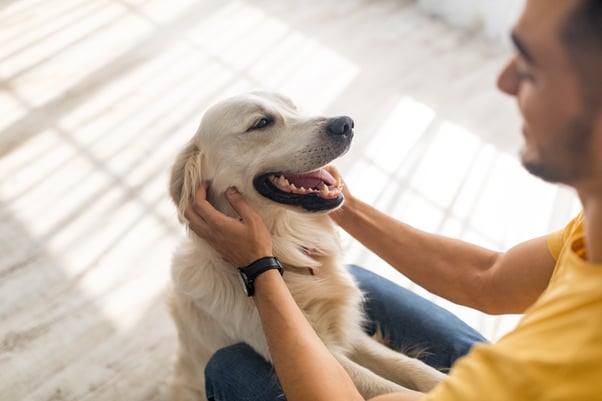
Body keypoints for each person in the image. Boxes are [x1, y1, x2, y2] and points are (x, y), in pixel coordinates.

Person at [184, 0, 602, 399]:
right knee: (357, 284)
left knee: (231, 367)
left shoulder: (577, 365)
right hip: (518, 370)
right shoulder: (588, 230)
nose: (503, 80)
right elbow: (488, 276)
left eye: (532, 64)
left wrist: (259, 269)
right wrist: (341, 202)